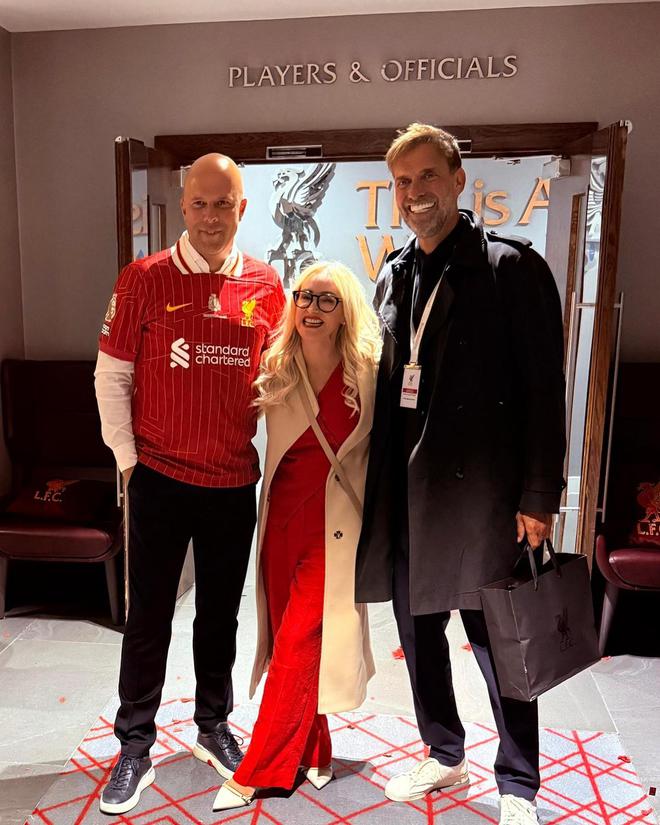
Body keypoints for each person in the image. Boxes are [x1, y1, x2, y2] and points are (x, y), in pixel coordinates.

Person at [355, 123, 566, 825]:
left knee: (499, 643)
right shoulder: (394, 273)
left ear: (457, 180)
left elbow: (544, 392)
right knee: (419, 639)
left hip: (484, 499)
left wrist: (540, 495)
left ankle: (519, 781)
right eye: (403, 181)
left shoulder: (511, 268)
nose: (415, 192)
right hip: (406, 497)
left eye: (427, 176)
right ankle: (444, 751)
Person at [94, 153, 285, 815]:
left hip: (233, 482)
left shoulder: (266, 285)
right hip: (159, 477)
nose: (210, 216)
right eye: (199, 204)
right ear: (183, 207)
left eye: (222, 203)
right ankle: (135, 743)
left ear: (242, 208)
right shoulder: (143, 279)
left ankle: (212, 724)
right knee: (148, 616)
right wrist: (128, 463)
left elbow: (280, 380)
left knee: (221, 614)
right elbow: (112, 376)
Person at [212, 261, 381, 811]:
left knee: (297, 643)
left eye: (327, 300)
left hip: (335, 528)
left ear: (345, 312)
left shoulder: (368, 371)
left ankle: (261, 767)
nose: (312, 308)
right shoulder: (275, 363)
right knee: (292, 637)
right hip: (282, 522)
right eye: (305, 296)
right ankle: (316, 747)